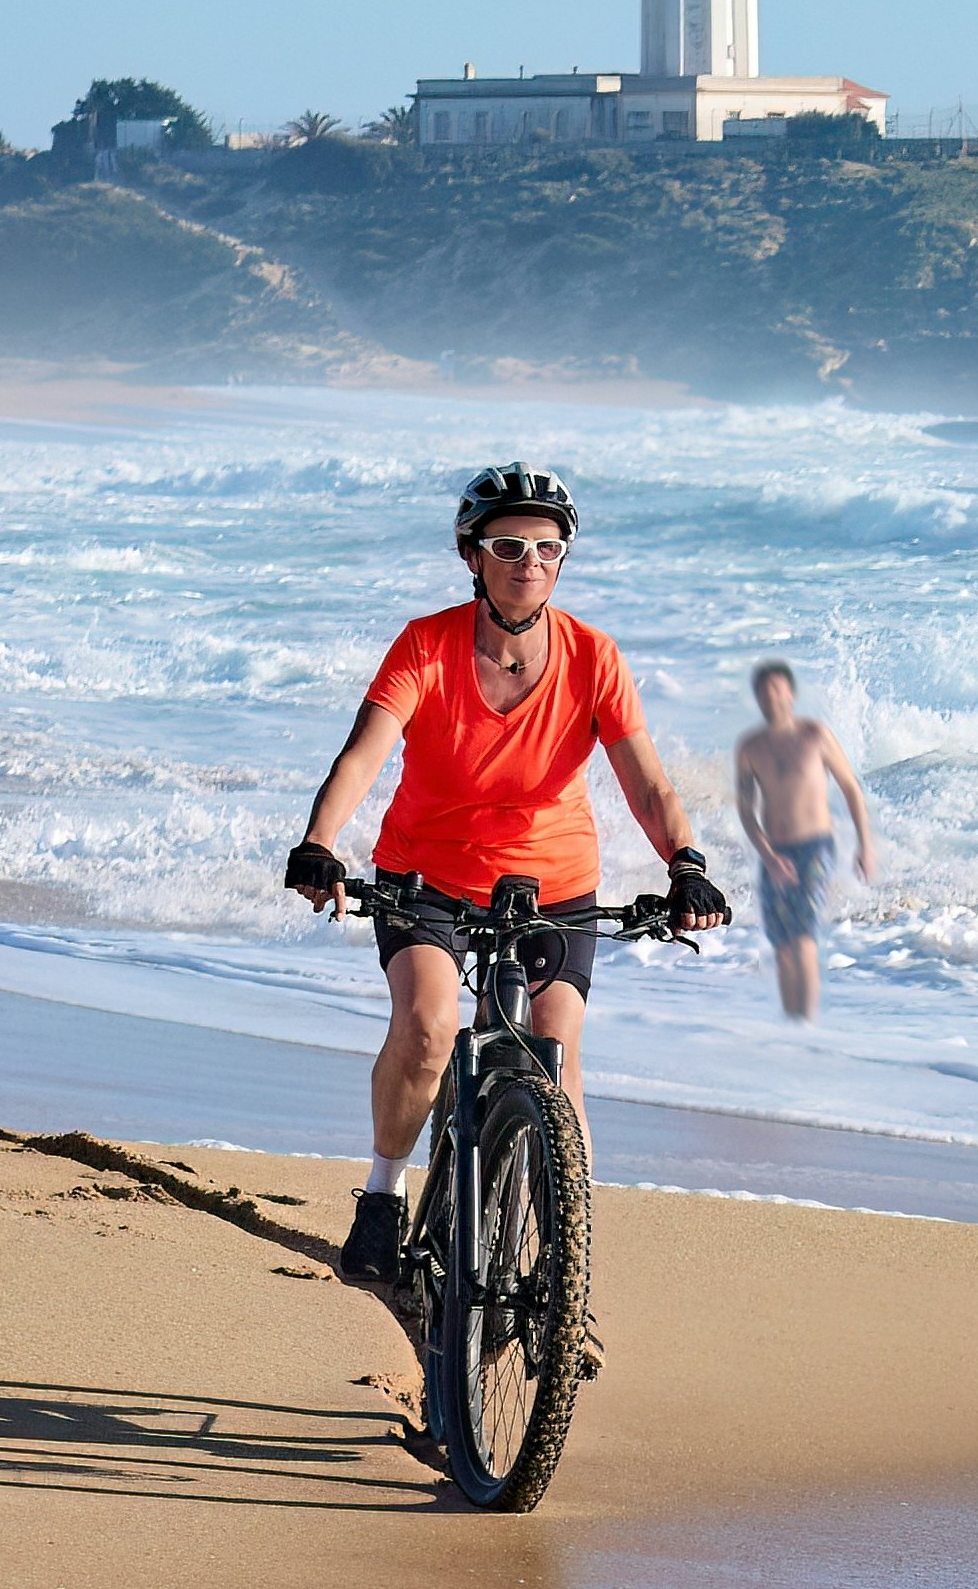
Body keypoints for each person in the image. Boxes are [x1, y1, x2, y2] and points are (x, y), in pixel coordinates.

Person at [280, 464, 729, 1297]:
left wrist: (686, 863)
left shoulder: (593, 656)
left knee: (555, 1062)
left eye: (548, 548)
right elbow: (364, 752)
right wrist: (319, 841)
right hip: (428, 876)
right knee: (426, 1026)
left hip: (553, 883)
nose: (530, 561)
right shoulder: (426, 644)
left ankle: (564, 1278)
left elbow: (648, 781)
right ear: (472, 555)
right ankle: (383, 1192)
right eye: (509, 544)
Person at [725, 659, 877, 1022]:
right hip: (773, 853)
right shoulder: (750, 747)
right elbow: (747, 810)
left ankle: (805, 1027)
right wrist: (768, 855)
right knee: (782, 946)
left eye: (777, 689)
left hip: (814, 848)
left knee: (804, 938)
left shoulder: (816, 736)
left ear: (791, 694)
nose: (771, 697)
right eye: (764, 691)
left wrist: (864, 845)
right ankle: (792, 1022)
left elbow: (851, 790)